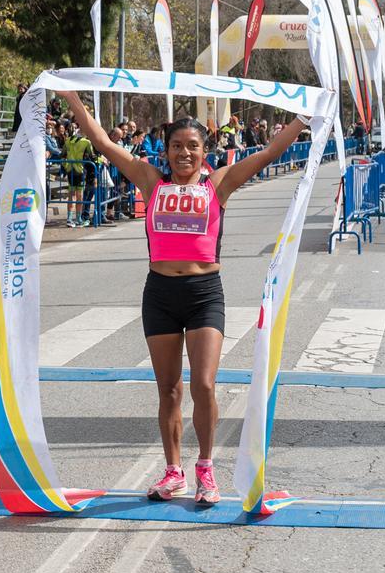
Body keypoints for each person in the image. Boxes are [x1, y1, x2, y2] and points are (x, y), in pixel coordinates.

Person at [57, 89, 309, 506]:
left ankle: (206, 470)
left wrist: (307, 119)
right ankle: (173, 472)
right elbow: (102, 141)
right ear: (167, 150)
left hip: (204, 292)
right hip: (159, 293)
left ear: (204, 150)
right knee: (168, 389)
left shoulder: (220, 183)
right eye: (176, 146)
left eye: (193, 146)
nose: (184, 153)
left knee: (204, 385)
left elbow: (268, 153)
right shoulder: (149, 180)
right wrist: (72, 99)